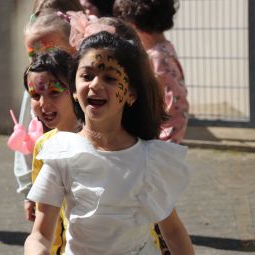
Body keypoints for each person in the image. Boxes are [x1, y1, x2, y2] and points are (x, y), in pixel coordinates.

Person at [24, 31, 194, 255]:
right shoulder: (61, 153)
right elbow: (40, 235)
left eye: (110, 78)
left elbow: (172, 231)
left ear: (131, 93)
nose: (95, 84)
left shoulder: (150, 158)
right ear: (74, 90)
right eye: (87, 76)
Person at [13, 0, 84, 207]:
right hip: (51, 193)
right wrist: (29, 191)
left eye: (50, 50)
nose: (42, 60)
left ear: (76, 43)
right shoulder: (36, 92)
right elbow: (26, 142)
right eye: (33, 55)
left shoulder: (90, 89)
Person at [113, 0, 189, 144]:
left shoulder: (158, 59)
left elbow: (176, 106)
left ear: (133, 25)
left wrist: (164, 145)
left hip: (158, 144)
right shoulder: (163, 49)